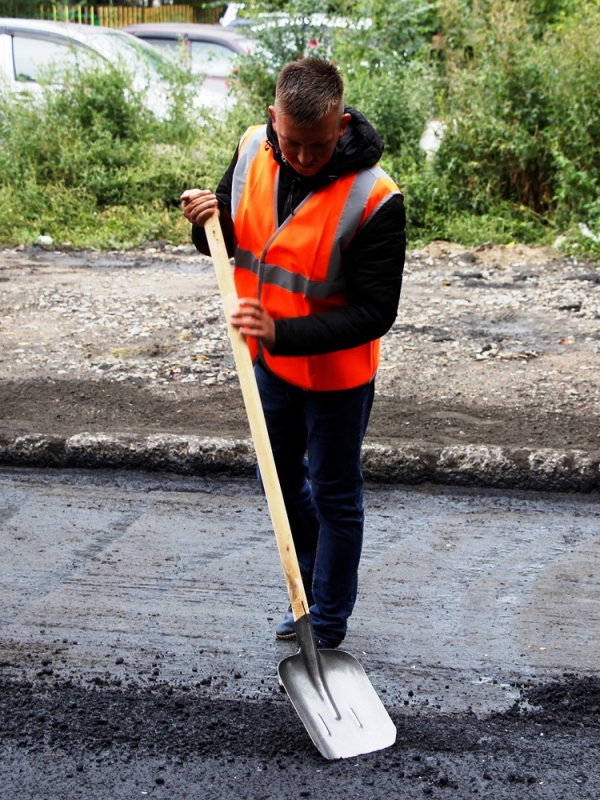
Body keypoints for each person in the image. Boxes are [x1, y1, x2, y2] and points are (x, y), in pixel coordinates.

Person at [181, 58, 406, 649]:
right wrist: (204, 221)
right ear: (274, 117)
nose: (306, 157)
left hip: (337, 378)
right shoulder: (254, 147)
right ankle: (306, 591)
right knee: (278, 482)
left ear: (342, 121)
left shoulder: (374, 197)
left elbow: (376, 311)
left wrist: (283, 334)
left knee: (334, 493)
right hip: (270, 366)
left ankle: (326, 625)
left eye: (320, 144)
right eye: (295, 143)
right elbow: (231, 238)